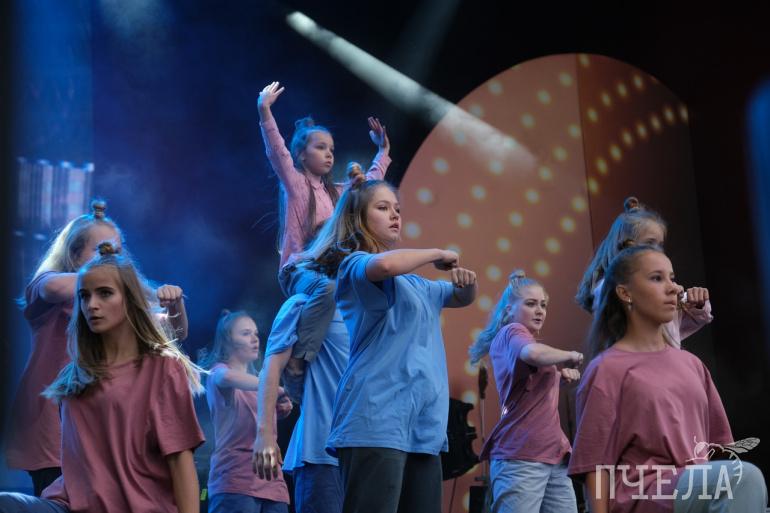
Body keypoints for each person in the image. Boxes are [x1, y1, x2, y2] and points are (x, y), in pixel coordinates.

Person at [294, 179, 477, 513]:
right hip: (375, 421)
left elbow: (461, 298)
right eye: (382, 208)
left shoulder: (418, 284)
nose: (395, 215)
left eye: (397, 209)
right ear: (359, 218)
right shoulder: (354, 265)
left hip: (422, 428)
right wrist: (437, 253)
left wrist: (468, 283)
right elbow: (386, 265)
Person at [0, 241, 204, 513]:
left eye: (105, 293)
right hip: (67, 505)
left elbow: (180, 460)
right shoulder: (73, 376)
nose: (91, 305)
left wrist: (175, 304)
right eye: (84, 296)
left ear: (129, 300)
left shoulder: (163, 368)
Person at [568, 245, 767, 513]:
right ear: (625, 293)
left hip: (692, 490)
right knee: (745, 478)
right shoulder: (606, 370)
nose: (673, 288)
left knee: (744, 482)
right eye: (657, 278)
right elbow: (594, 465)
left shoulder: (692, 365)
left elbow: (719, 451)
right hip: (642, 494)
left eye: (672, 278)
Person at [257, 81, 390, 394]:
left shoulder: (336, 192)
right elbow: (277, 151)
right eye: (320, 147)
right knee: (328, 288)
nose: (329, 154)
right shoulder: (296, 184)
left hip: (328, 270)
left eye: (331, 149)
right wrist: (264, 111)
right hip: (300, 270)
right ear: (301, 155)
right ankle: (298, 358)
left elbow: (368, 186)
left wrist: (383, 152)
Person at [468, 270, 582, 512]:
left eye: (543, 305)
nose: (539, 310)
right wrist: (570, 355)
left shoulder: (525, 341)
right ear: (509, 310)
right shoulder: (513, 331)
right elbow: (533, 354)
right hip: (522, 456)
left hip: (553, 454)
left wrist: (558, 378)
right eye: (531, 304)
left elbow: (529, 388)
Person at [252, 294, 349, 513]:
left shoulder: (369, 304)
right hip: (322, 452)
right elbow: (272, 366)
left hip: (366, 451)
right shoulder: (305, 302)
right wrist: (265, 434)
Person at [575, 197, 711, 348]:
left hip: (665, 359)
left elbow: (673, 331)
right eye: (649, 243)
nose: (657, 251)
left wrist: (693, 305)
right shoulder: (606, 289)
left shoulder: (664, 285)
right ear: (627, 245)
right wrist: (666, 297)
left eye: (660, 245)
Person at [200, 310, 292, 513]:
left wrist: (279, 408)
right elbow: (225, 378)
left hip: (274, 484)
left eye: (256, 333)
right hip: (235, 481)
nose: (254, 339)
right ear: (227, 341)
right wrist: (277, 389)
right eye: (245, 333)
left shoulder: (259, 381)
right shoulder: (218, 370)